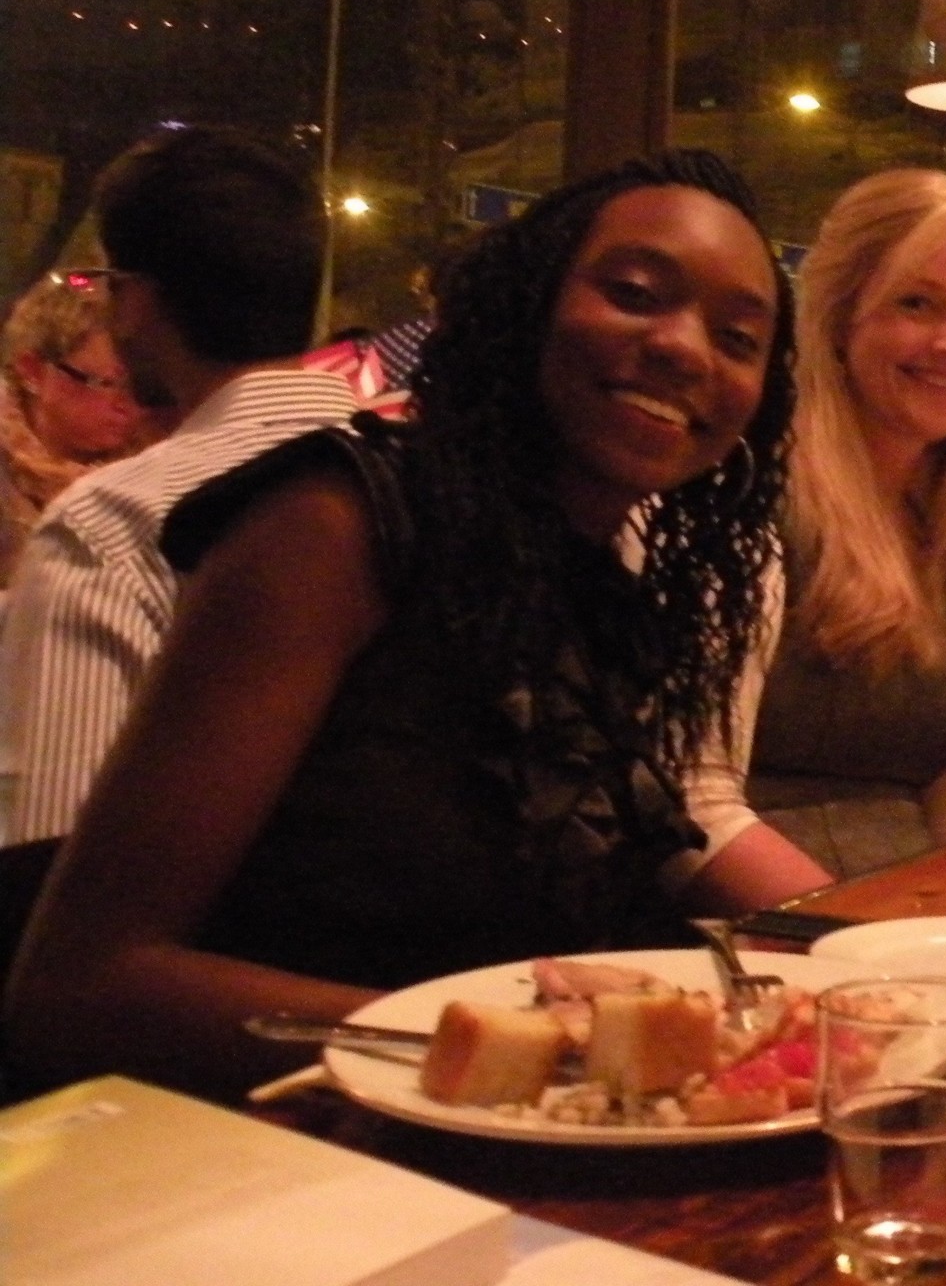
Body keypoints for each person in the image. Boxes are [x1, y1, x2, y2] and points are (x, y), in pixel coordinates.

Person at [3, 150, 814, 1098]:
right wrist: (520, 1051)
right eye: (636, 292)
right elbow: (82, 986)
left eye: (740, 338)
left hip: (486, 1162)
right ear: (524, 304)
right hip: (261, 1164)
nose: (685, 347)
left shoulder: (601, 589)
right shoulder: (333, 523)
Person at [0, 127, 352, 846]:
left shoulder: (113, 525)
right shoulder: (430, 477)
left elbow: (54, 854)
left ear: (133, 301)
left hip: (197, 950)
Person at [744, 169, 946, 876]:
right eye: (918, 303)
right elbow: (690, 806)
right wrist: (863, 944)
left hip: (905, 925)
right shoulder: (755, 498)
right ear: (838, 319)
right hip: (760, 938)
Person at [1, 272, 147, 591]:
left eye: (137, 383)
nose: (128, 404)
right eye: (106, 383)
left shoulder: (155, 457)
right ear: (33, 372)